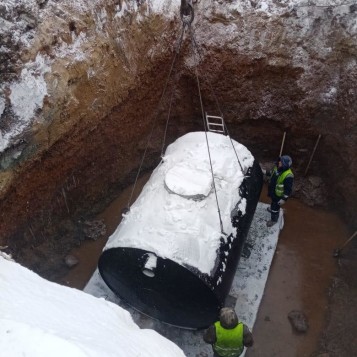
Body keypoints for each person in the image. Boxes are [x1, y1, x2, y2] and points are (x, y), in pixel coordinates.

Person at [265, 155, 294, 227]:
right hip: (273, 191)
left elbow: (288, 189)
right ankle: (272, 208)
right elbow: (272, 174)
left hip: (278, 195)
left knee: (275, 207)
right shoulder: (277, 167)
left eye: (281, 161)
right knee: (273, 202)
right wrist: (266, 172)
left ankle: (274, 220)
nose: (279, 162)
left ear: (285, 164)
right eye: (279, 161)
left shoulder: (288, 176)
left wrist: (284, 199)